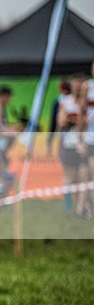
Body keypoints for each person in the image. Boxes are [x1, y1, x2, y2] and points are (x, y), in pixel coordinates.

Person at [0, 85, 21, 193]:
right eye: (9, 98)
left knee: (1, 171)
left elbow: (1, 127)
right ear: (3, 96)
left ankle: (1, 193)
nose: (9, 101)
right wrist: (11, 133)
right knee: (0, 171)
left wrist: (12, 128)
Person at [55, 79, 81, 212]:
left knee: (81, 176)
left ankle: (81, 205)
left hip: (84, 144)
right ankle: (68, 205)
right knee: (69, 175)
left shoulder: (87, 101)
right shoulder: (66, 102)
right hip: (70, 144)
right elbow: (61, 122)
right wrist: (77, 120)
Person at [75, 71, 94, 219]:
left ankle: (83, 208)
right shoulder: (89, 86)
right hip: (90, 140)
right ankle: (82, 208)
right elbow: (81, 115)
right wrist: (80, 140)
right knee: (85, 175)